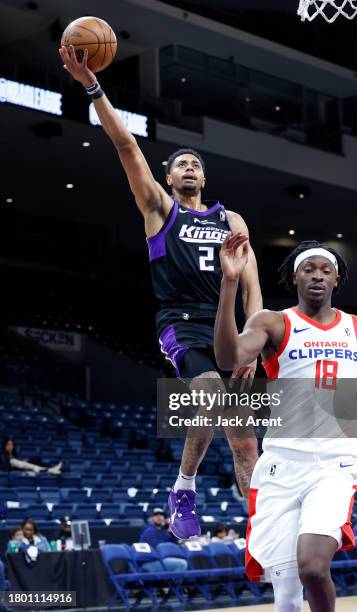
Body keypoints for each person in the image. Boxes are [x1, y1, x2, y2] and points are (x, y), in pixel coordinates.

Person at [59, 46, 262, 539]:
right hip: (181, 322)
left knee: (245, 441)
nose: (190, 167)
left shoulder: (230, 220)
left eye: (196, 163)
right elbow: (127, 146)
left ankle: (264, 528)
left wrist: (254, 339)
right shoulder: (158, 209)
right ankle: (184, 487)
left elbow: (253, 285)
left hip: (229, 329)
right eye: (181, 164)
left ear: (204, 177)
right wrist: (92, 86)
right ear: (168, 178)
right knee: (209, 398)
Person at [213, 237, 357, 612]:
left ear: (337, 279)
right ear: (295, 278)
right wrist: (230, 283)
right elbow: (227, 356)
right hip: (282, 464)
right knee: (285, 593)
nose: (317, 276)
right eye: (309, 269)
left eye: (326, 270)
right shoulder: (273, 322)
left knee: (313, 568)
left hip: (334, 463)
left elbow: (353, 391)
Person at [139, 508, 187, 572]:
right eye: (156, 515)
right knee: (181, 564)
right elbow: (158, 550)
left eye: (161, 515)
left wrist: (171, 532)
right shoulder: (149, 531)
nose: (159, 517)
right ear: (151, 518)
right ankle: (173, 582)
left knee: (186, 559)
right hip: (150, 561)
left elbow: (175, 545)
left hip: (163, 559)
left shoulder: (164, 531)